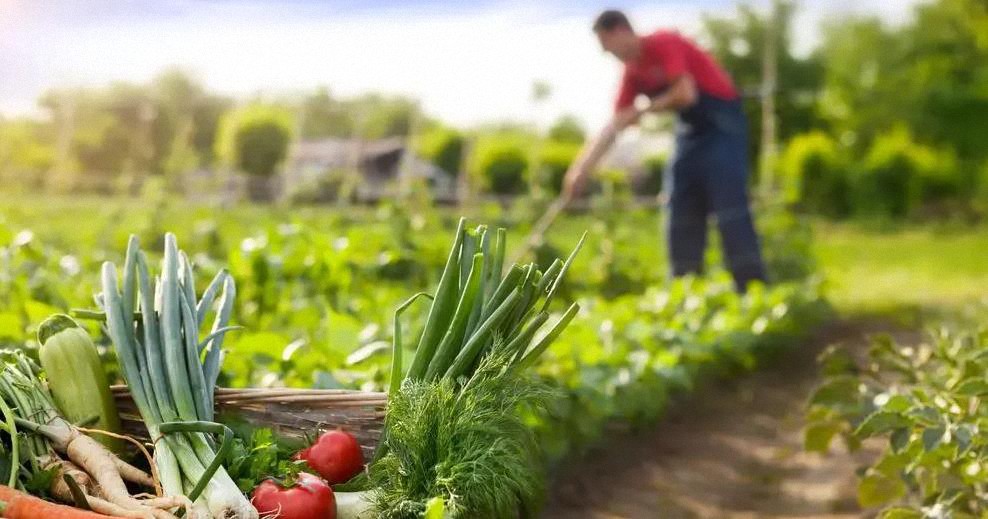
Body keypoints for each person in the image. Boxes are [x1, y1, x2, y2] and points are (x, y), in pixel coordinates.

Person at [562, 10, 767, 291]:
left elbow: (686, 93)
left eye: (608, 46)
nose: (610, 54)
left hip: (722, 125)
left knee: (729, 207)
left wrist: (644, 108)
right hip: (689, 132)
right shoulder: (632, 74)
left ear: (622, 30)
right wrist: (580, 170)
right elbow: (615, 124)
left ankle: (753, 292)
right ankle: (684, 295)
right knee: (679, 204)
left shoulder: (663, 43)